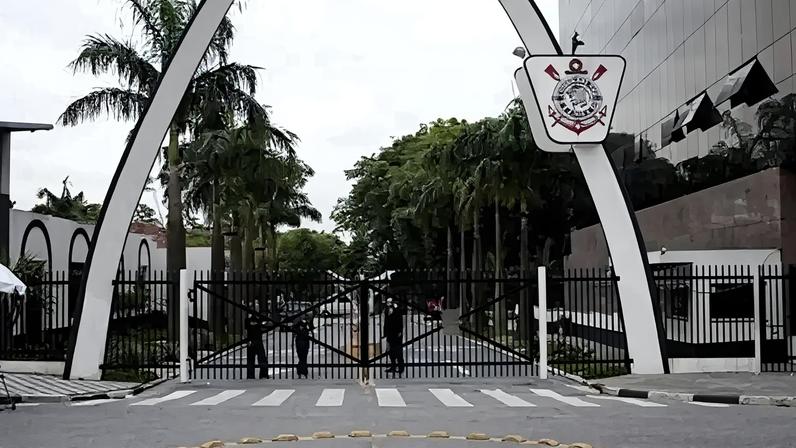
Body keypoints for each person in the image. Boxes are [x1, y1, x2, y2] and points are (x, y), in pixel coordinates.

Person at [383, 298, 405, 374]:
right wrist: (385, 333)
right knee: (390, 351)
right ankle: (393, 366)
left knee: (398, 350)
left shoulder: (397, 310)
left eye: (389, 302)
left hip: (396, 333)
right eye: (387, 302)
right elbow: (386, 323)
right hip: (390, 333)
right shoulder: (386, 310)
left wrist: (399, 331)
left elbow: (399, 321)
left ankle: (401, 367)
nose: (387, 303)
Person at [245, 311, 269, 379]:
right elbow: (265, 326)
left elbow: (245, 330)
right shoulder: (259, 320)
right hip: (257, 340)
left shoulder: (248, 320)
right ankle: (263, 375)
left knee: (251, 359)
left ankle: (250, 375)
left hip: (251, 341)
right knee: (262, 358)